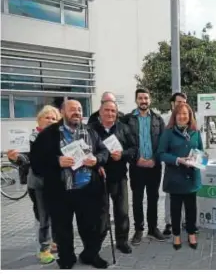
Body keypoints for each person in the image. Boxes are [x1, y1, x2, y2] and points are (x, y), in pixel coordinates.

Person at [30, 100, 109, 269]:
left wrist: (97, 160)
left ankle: (90, 255)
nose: (77, 112)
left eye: (80, 109)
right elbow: (36, 162)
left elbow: (103, 152)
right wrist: (57, 161)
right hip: (60, 191)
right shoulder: (49, 134)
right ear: (63, 112)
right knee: (62, 229)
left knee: (90, 227)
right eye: (72, 109)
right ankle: (67, 258)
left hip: (87, 189)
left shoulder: (90, 131)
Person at [7, 105, 61, 264]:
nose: (50, 121)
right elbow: (23, 158)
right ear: (39, 120)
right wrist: (14, 157)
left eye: (54, 118)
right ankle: (44, 249)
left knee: (55, 214)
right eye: (47, 118)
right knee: (43, 216)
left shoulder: (59, 136)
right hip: (38, 183)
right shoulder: (30, 138)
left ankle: (52, 241)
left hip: (56, 183)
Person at [89, 100, 138, 254]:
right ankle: (97, 242)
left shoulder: (124, 128)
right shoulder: (91, 129)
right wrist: (97, 164)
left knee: (122, 211)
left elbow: (134, 149)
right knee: (100, 213)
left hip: (119, 176)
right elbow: (85, 153)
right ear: (100, 112)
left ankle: (122, 241)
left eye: (113, 111)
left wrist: (122, 155)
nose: (110, 113)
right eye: (107, 110)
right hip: (99, 177)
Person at [121, 88, 166, 245]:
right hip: (136, 166)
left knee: (153, 197)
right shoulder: (127, 120)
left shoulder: (158, 119)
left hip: (154, 166)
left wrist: (154, 159)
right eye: (140, 98)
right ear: (136, 100)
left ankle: (153, 228)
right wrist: (136, 159)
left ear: (150, 100)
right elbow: (123, 142)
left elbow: (162, 142)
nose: (143, 101)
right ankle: (139, 230)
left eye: (146, 98)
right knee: (138, 198)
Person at [158, 103, 203, 250]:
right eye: (179, 114)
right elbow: (160, 154)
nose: (182, 117)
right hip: (175, 178)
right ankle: (176, 236)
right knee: (175, 210)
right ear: (175, 116)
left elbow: (201, 151)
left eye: (185, 114)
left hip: (191, 177)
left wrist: (197, 161)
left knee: (191, 209)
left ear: (190, 116)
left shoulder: (195, 132)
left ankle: (191, 234)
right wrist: (178, 160)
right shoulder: (168, 132)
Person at [163, 92, 189, 236]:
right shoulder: (166, 120)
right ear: (172, 104)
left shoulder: (189, 119)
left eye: (184, 102)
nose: (181, 105)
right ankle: (169, 222)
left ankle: (184, 220)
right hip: (172, 164)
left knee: (186, 193)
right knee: (170, 195)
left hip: (188, 165)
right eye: (178, 102)